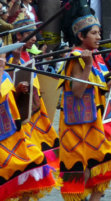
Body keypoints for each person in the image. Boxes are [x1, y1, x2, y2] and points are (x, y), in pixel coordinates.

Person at [57, 14, 111, 201]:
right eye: (94, 33)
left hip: (101, 126)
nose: (99, 37)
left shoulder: (98, 58)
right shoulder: (75, 57)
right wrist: (87, 64)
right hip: (80, 130)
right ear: (81, 36)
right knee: (84, 178)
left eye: (100, 33)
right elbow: (78, 91)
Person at [0, 44, 57, 200]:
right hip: (3, 141)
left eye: (3, 55)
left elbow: (11, 105)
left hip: (15, 135)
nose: (3, 58)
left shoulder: (4, 75)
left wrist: (18, 92)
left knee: (36, 162)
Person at [7, 12, 60, 170]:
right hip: (24, 117)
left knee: (51, 151)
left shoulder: (29, 57)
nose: (35, 39)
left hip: (38, 113)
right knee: (33, 159)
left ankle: (75, 192)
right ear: (19, 36)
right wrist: (15, 62)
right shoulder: (11, 59)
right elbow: (7, 86)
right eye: (31, 34)